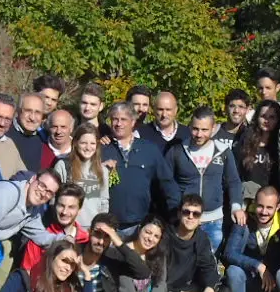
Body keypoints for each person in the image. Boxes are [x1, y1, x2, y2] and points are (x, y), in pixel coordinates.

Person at [167, 109, 242, 253]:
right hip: (185, 219)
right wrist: (175, 209)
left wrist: (236, 206)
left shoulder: (223, 151)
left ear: (213, 129)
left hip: (213, 221)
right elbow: (166, 183)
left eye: (204, 129)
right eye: (195, 129)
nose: (199, 134)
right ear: (189, 127)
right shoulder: (177, 150)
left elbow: (233, 181)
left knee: (209, 265)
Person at [221, 186, 280, 292]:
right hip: (253, 280)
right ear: (254, 204)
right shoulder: (244, 221)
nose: (264, 212)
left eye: (269, 207)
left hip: (276, 283)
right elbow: (229, 253)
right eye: (260, 206)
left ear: (278, 207)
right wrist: (258, 266)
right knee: (233, 271)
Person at [103, 102, 179, 234]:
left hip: (139, 225)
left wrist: (176, 215)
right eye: (115, 119)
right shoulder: (102, 149)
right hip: (108, 226)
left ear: (132, 122)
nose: (118, 124)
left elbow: (167, 184)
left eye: (123, 119)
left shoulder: (149, 149)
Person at [0, 169, 62, 290]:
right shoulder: (9, 193)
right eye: (42, 186)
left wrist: (65, 239)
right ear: (32, 179)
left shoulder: (32, 210)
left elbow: (40, 236)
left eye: (49, 192)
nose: (43, 193)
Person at [159, 194, 221, 292]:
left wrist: (209, 287)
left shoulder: (201, 238)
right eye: (186, 212)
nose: (190, 217)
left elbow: (208, 267)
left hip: (190, 287)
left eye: (196, 214)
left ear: (200, 219)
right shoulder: (165, 236)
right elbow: (157, 277)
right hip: (166, 289)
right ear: (179, 214)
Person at [54, 123, 111, 225]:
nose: (88, 148)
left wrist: (100, 225)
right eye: (84, 143)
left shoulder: (102, 170)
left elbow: (104, 203)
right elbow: (53, 200)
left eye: (92, 143)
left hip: (91, 229)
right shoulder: (63, 166)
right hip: (68, 228)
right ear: (75, 143)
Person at [235, 101, 280, 203]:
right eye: (263, 116)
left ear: (278, 119)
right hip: (248, 199)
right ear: (257, 117)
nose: (267, 120)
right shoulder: (245, 140)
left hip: (273, 201)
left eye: (272, 117)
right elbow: (237, 170)